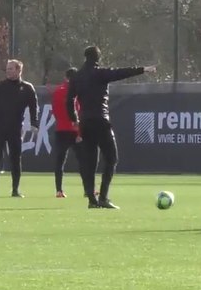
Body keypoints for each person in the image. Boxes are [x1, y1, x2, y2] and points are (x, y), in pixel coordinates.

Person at [66, 45, 155, 209]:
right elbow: (121, 72)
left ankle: (92, 199)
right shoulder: (100, 73)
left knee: (89, 161)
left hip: (85, 122)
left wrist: (74, 119)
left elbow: (69, 100)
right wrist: (143, 69)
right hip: (101, 119)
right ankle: (103, 197)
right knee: (111, 158)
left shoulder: (76, 77)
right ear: (98, 58)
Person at [0, 59, 38, 197]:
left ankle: (15, 189)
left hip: (16, 129)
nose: (8, 71)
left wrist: (34, 123)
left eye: (11, 69)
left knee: (15, 159)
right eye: (7, 69)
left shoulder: (27, 88)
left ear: (19, 70)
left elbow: (33, 107)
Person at [50, 68, 81, 199]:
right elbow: (79, 111)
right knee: (84, 160)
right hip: (74, 130)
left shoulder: (57, 91)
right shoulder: (77, 92)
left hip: (61, 129)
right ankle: (89, 188)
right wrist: (80, 132)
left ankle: (59, 190)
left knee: (59, 161)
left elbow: (55, 111)